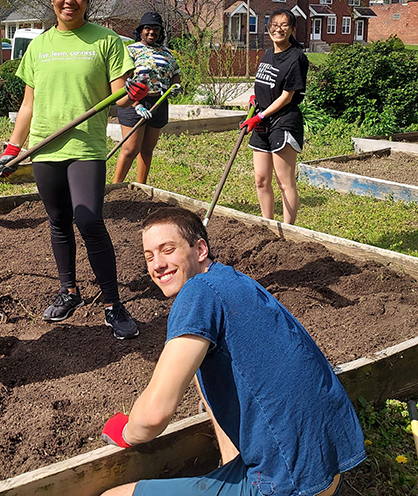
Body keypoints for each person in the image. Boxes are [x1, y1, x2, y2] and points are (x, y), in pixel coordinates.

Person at [100, 207, 366, 496]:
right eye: (149, 256)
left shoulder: (197, 293)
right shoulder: (231, 280)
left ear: (200, 249)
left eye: (168, 250)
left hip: (286, 481)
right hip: (327, 468)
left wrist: (126, 432)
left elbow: (154, 415)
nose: (157, 265)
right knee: (206, 375)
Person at [0, 0, 148, 340]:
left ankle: (112, 303)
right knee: (59, 220)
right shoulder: (38, 46)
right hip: (45, 146)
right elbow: (29, 105)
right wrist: (14, 149)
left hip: (84, 146)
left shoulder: (107, 41)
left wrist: (135, 93)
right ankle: (69, 291)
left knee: (90, 220)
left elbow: (119, 94)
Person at [240, 8, 308, 225]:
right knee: (261, 179)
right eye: (274, 25)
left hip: (283, 121)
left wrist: (259, 116)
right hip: (263, 121)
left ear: (292, 29)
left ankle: (289, 230)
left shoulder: (296, 58)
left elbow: (287, 97)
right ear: (268, 29)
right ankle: (267, 225)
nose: (278, 29)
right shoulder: (269, 54)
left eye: (284, 25)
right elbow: (266, 85)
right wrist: (255, 99)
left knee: (284, 182)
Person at [112, 11, 181, 184]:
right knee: (130, 148)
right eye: (147, 28)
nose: (152, 32)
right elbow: (124, 79)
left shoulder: (167, 53)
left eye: (156, 29)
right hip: (135, 103)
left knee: (147, 149)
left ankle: (141, 188)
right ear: (141, 30)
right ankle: (114, 188)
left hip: (159, 103)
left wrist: (175, 87)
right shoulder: (130, 50)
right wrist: (136, 104)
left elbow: (175, 74)